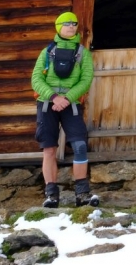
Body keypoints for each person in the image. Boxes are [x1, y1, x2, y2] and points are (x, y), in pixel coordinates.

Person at [31, 11, 98, 207]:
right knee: (49, 149)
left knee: (80, 146)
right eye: (67, 23)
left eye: (74, 23)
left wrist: (67, 98)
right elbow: (36, 79)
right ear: (58, 26)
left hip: (72, 105)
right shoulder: (47, 52)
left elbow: (86, 80)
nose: (71, 26)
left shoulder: (82, 53)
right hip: (47, 104)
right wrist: (54, 97)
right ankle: (51, 195)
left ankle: (82, 194)